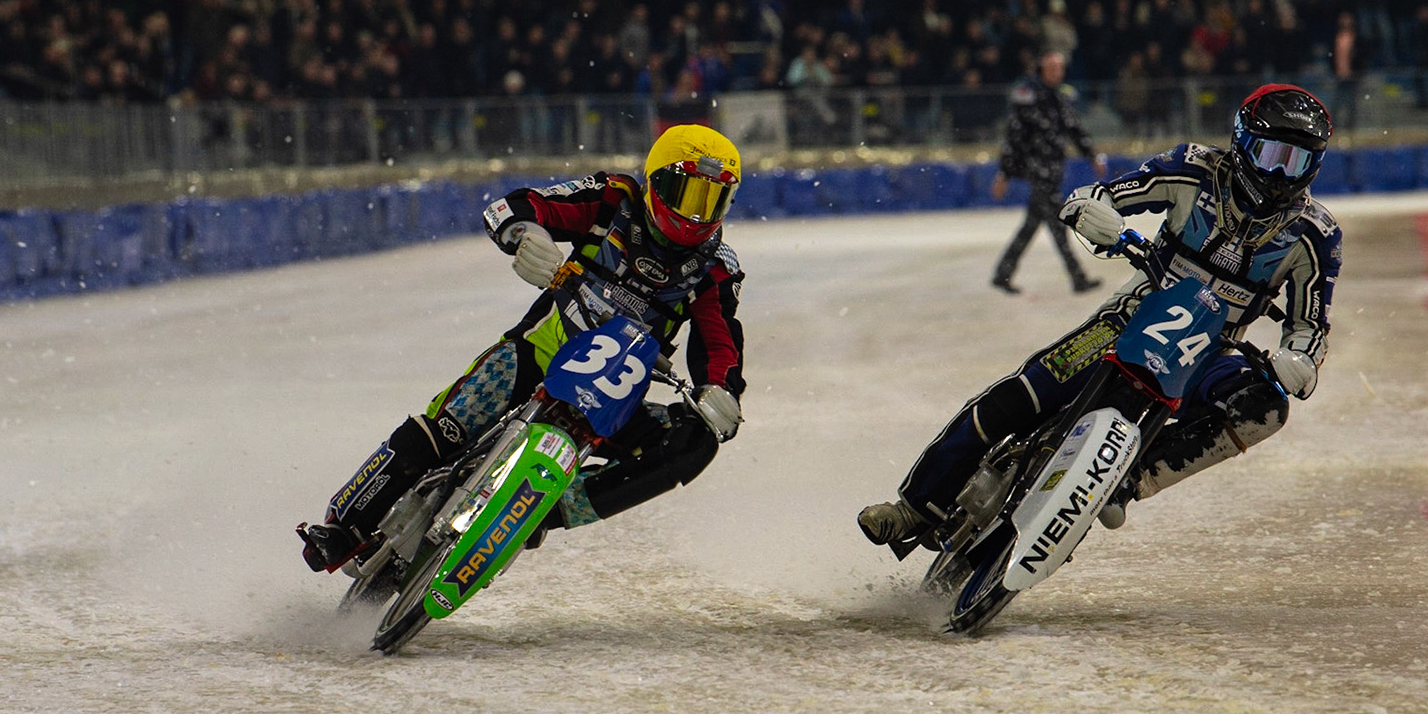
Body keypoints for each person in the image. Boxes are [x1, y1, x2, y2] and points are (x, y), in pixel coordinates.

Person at [859, 84, 1340, 547]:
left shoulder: (1315, 236)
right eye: (1269, 154)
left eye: (1295, 161)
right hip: (1129, 318)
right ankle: (915, 508)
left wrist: (1299, 360)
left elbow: (1310, 324)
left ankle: (1133, 479)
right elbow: (1107, 193)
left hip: (1208, 353)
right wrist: (1095, 210)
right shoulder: (1193, 168)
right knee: (1021, 396)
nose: (1278, 174)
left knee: (1267, 407)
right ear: (1241, 140)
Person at [298, 125, 748, 572]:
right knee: (452, 426)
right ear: (655, 183)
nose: (695, 214)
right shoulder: (612, 199)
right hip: (540, 350)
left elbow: (719, 340)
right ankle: (345, 523)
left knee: (695, 441)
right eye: (687, 194)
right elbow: (512, 206)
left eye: (711, 199)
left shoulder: (716, 269)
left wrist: (721, 390)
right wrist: (527, 236)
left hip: (615, 396)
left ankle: (546, 511)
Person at [988, 51, 1107, 295]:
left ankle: (1003, 273)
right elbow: (1014, 137)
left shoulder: (1061, 97)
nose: (1057, 72)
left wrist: (1092, 155)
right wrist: (1004, 174)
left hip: (1054, 169)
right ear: (1042, 68)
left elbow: (1075, 129)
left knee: (1032, 223)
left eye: (1060, 68)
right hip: (1037, 169)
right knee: (1057, 222)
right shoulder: (1028, 96)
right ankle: (1078, 277)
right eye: (1052, 67)